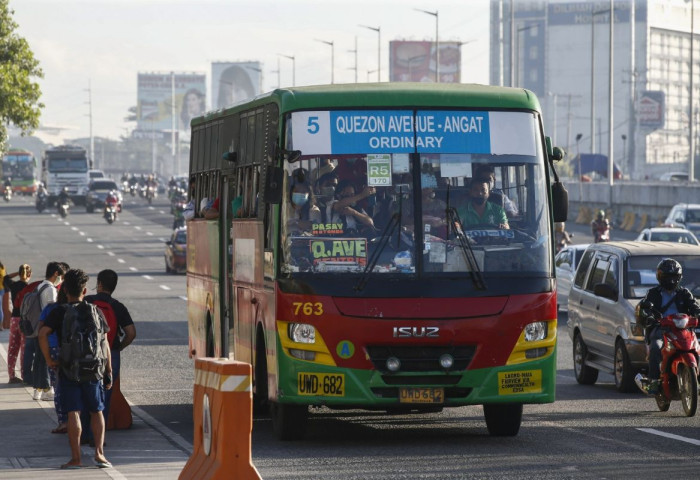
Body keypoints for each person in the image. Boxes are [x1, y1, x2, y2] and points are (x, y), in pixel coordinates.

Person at [38, 269, 112, 470]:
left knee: (73, 412)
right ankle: (99, 454)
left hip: (69, 368)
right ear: (85, 290)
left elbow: (42, 333)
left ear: (66, 291)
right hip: (93, 369)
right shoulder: (96, 311)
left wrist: (49, 360)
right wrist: (108, 371)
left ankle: (76, 458)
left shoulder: (59, 312)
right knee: (97, 411)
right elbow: (104, 344)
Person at [83, 269, 136, 445]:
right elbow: (131, 333)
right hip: (110, 353)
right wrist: (119, 346)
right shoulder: (118, 306)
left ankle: (84, 433)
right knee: (106, 393)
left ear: (99, 284)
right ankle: (99, 436)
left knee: (85, 391)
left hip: (86, 353)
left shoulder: (87, 301)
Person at [636, 258, 700, 395]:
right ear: (660, 277)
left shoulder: (684, 293)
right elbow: (645, 308)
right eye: (667, 277)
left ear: (679, 278)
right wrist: (649, 316)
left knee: (696, 347)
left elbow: (694, 306)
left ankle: (696, 377)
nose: (671, 281)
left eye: (674, 277)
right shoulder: (653, 293)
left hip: (682, 329)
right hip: (661, 329)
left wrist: (697, 313)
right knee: (655, 347)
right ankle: (653, 381)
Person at [24, 261, 66, 400]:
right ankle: (47, 390)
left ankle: (38, 390)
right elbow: (51, 311)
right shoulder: (50, 289)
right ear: (56, 274)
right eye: (61, 275)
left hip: (36, 327)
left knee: (38, 360)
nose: (61, 279)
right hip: (46, 329)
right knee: (45, 360)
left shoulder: (40, 285)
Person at [39, 284, 68, 434]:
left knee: (58, 387)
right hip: (72, 352)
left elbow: (41, 329)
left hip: (53, 349)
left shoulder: (50, 309)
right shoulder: (77, 308)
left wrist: (47, 357)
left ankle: (63, 422)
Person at [4, 263, 31, 384]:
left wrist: (17, 272)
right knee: (24, 348)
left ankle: (12, 375)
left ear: (20, 274)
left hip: (14, 320)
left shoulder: (13, 285)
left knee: (12, 348)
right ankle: (25, 376)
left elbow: (5, 278)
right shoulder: (29, 288)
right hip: (24, 320)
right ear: (29, 274)